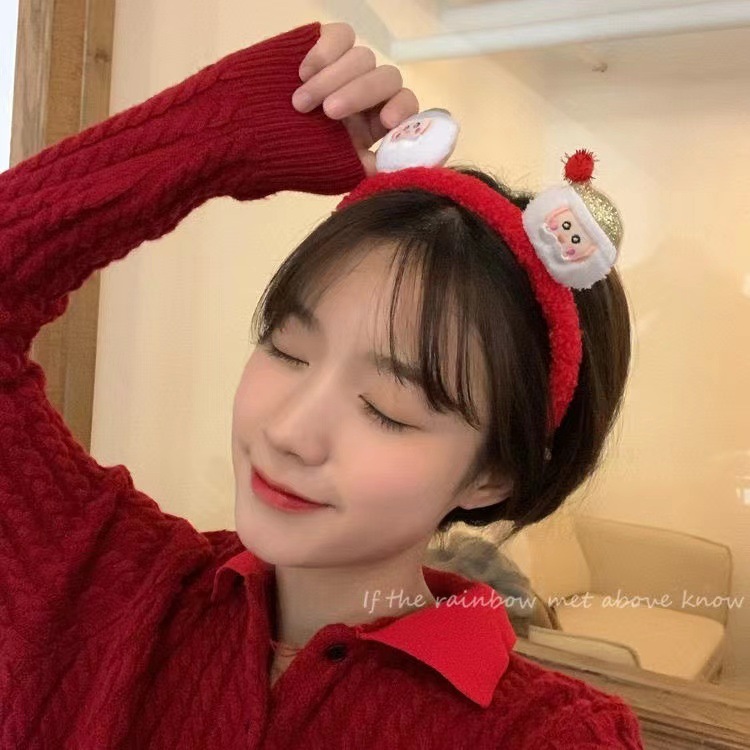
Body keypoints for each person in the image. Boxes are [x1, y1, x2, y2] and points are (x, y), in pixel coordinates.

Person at [0, 19, 644, 749]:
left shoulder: (545, 736)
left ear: (492, 472)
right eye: (287, 350)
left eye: (386, 408)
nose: (288, 432)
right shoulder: (106, 584)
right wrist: (226, 131)